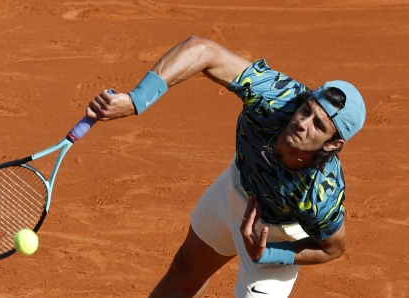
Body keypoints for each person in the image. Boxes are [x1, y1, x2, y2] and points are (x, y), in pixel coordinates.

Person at [85, 36, 366, 298]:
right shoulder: (278, 97)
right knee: (185, 271)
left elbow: (333, 248)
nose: (302, 123)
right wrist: (137, 99)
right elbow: (202, 49)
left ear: (332, 144)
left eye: (318, 126)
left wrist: (269, 253)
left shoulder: (320, 195)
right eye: (307, 110)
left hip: (276, 232)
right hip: (235, 188)